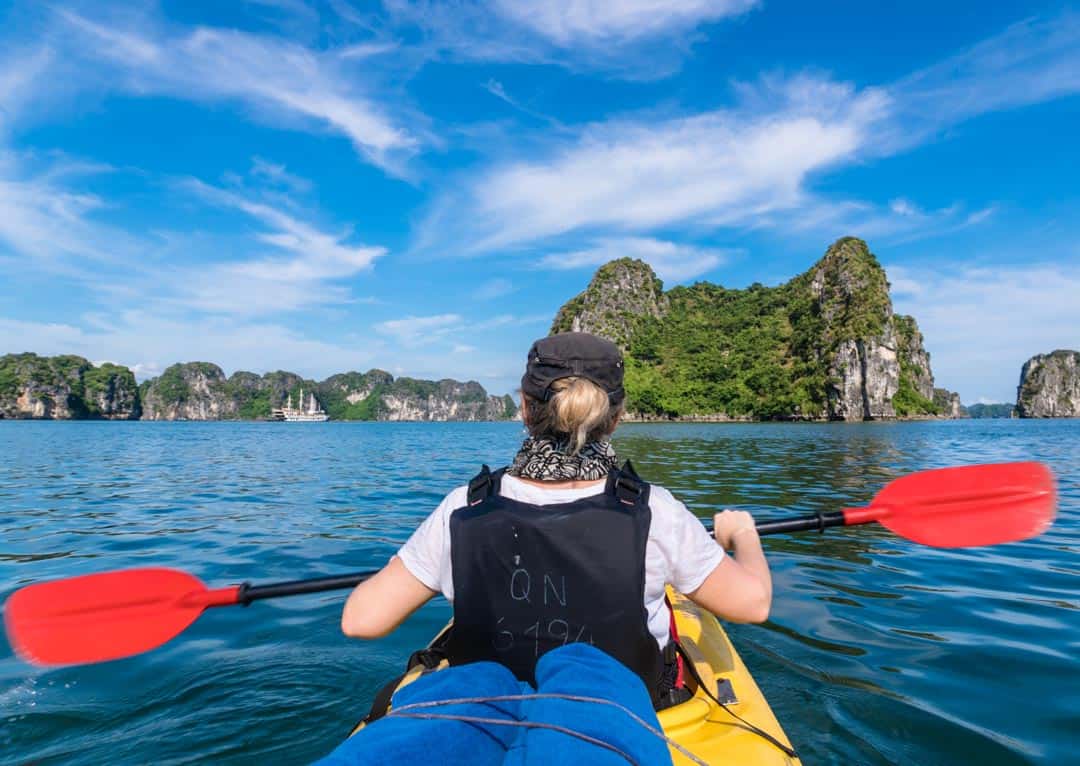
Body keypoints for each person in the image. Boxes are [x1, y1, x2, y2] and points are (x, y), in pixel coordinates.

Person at [340, 331, 772, 706]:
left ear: (525, 409)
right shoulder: (652, 510)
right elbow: (753, 604)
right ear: (617, 418)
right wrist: (744, 533)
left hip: (488, 713)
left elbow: (360, 619)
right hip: (616, 722)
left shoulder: (464, 507)